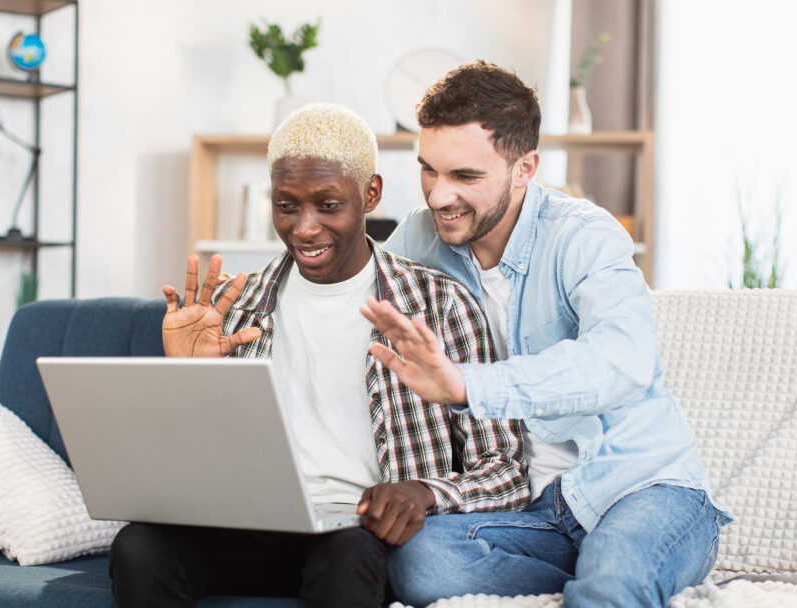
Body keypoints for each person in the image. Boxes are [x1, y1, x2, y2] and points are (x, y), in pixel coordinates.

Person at [107, 103, 529, 608]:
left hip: (354, 535)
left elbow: (506, 468)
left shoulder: (439, 304)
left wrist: (425, 492)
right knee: (139, 546)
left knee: (348, 558)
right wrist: (190, 376)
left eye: (328, 205)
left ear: (369, 193)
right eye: (287, 206)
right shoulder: (236, 307)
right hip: (250, 524)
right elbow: (184, 469)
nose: (305, 228)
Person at [362, 61, 732, 608]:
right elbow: (348, 308)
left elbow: (621, 363)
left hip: (640, 486)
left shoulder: (584, 235)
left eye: (465, 177)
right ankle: (605, 583)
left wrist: (467, 385)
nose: (439, 196)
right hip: (530, 511)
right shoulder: (421, 235)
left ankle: (618, 578)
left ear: (524, 168)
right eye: (428, 170)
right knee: (420, 563)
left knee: (610, 584)